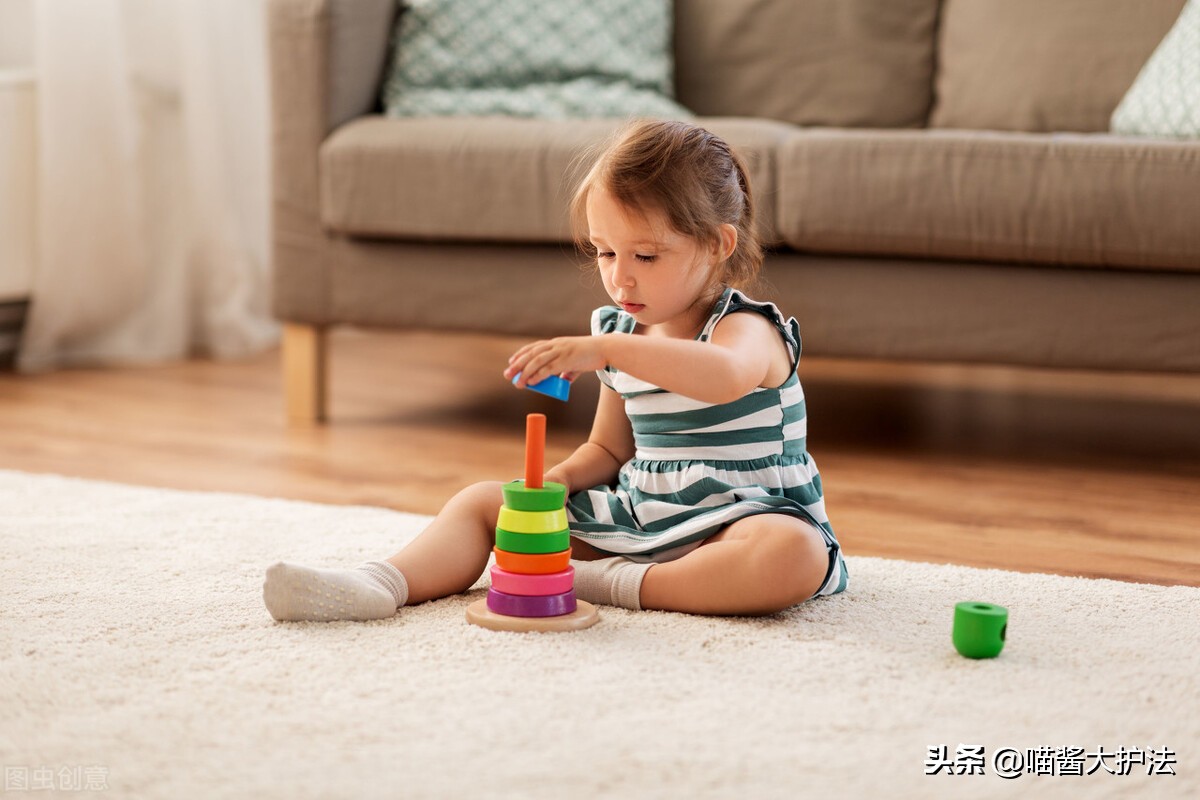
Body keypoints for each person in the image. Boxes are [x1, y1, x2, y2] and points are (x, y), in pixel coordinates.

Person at [262, 119, 847, 622]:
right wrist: (561, 481)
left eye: (645, 255)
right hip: (645, 520)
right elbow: (611, 451)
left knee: (792, 554)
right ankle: (379, 584)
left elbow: (723, 376)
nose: (621, 277)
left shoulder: (746, 328)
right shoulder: (619, 332)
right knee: (483, 501)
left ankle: (597, 585)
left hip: (740, 522)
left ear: (719, 244)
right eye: (605, 252)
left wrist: (608, 354)